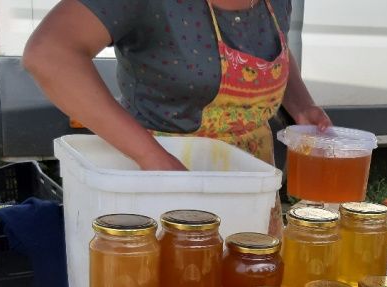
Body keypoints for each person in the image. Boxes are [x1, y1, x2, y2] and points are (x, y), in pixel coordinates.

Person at [24, 0, 330, 234]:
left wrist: (301, 104)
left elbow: (271, 46)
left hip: (250, 192)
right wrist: (151, 157)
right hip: (162, 185)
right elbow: (49, 53)